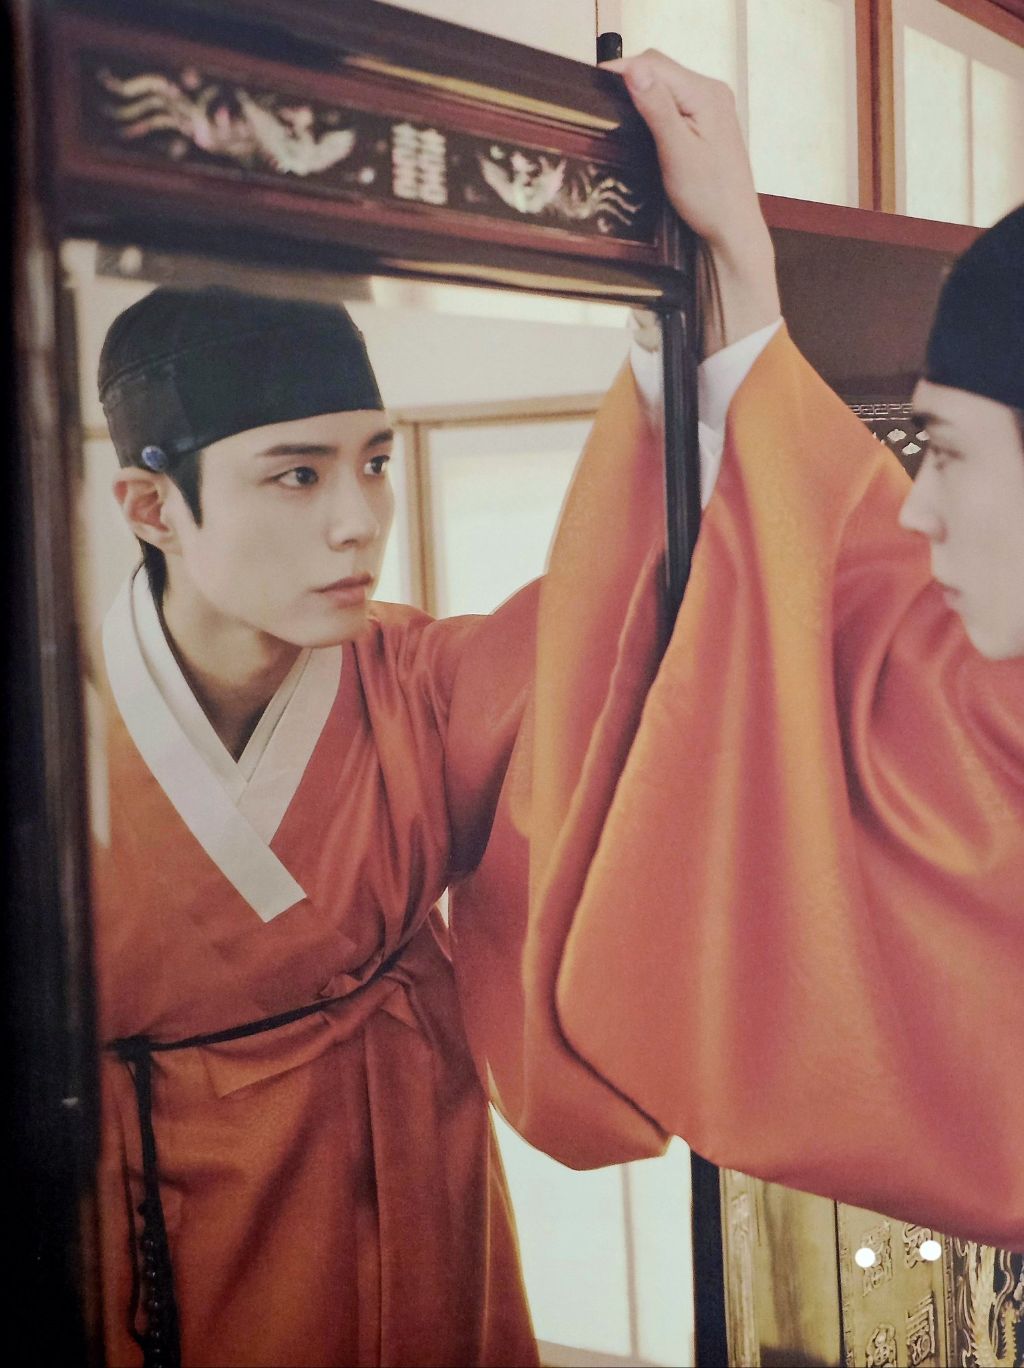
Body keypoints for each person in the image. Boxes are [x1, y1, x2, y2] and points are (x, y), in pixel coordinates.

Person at [91, 284, 709, 1368]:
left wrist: (685, 365)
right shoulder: (59, 744)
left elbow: (622, 627)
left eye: (374, 462)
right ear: (151, 508)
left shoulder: (418, 681)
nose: (359, 519)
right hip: (170, 1222)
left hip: (422, 1174)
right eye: (297, 474)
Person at [473, 50, 1024, 1252]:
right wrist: (728, 280)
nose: (917, 509)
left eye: (946, 452)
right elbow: (847, 582)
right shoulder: (982, 688)